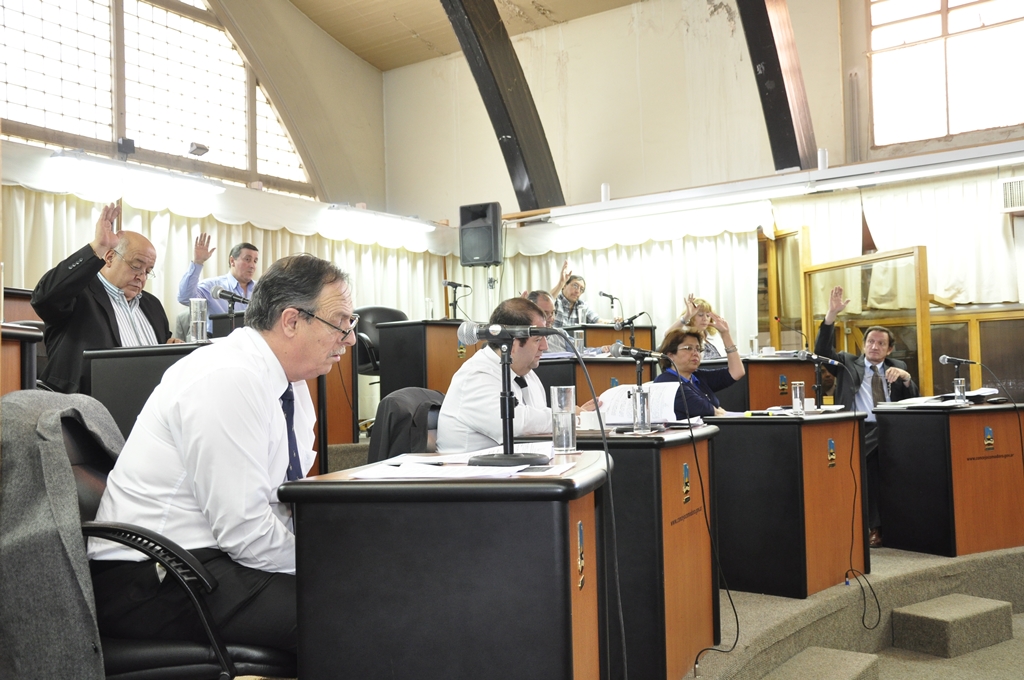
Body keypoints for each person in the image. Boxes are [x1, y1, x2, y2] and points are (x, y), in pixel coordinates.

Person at [87, 254, 357, 654]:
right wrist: (330, 563)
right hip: (153, 577)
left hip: (210, 559)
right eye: (341, 323)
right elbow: (245, 531)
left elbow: (281, 501)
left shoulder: (290, 385)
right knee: (353, 613)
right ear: (291, 321)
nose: (350, 339)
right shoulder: (228, 377)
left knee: (366, 589)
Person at [30, 202, 177, 394]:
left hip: (150, 399)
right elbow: (44, 298)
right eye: (136, 266)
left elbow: (164, 347)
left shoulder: (152, 305)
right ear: (109, 258)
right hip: (88, 402)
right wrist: (97, 247)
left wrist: (173, 349)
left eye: (148, 271)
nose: (142, 277)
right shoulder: (79, 293)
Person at [814, 285, 919, 548]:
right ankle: (875, 527)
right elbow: (822, 350)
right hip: (858, 428)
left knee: (893, 464)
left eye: (881, 343)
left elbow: (913, 400)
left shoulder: (899, 367)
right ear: (863, 345)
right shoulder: (847, 363)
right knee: (871, 467)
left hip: (891, 429)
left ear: (889, 349)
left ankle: (894, 522)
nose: (874, 346)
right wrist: (831, 315)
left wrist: (907, 379)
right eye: (871, 342)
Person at [437, 297, 596, 452]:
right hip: (468, 467)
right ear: (511, 343)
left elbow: (537, 427)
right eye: (538, 339)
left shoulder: (527, 373)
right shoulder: (475, 376)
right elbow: (516, 423)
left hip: (516, 464)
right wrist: (567, 415)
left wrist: (575, 417)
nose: (545, 346)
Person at [653, 315, 745, 418]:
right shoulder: (666, 382)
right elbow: (704, 409)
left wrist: (725, 334)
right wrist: (717, 411)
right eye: (688, 348)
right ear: (670, 355)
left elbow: (737, 372)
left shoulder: (697, 377)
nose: (695, 353)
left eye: (697, 349)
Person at [177, 233, 259, 314]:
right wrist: (198, 262)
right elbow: (185, 298)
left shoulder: (260, 289)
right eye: (247, 259)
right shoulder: (212, 287)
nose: (252, 265)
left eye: (255, 261)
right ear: (232, 261)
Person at [549, 259, 617, 327]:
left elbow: (597, 320)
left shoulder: (582, 305)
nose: (578, 291)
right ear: (564, 286)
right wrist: (561, 283)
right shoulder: (556, 301)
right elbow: (547, 300)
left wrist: (615, 322)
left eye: (581, 289)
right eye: (575, 286)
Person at [666, 294, 726, 359]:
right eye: (700, 315)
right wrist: (687, 316)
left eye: (708, 315)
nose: (705, 319)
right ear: (691, 316)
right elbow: (668, 336)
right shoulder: (684, 332)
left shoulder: (714, 334)